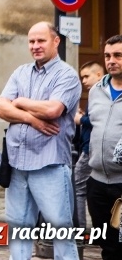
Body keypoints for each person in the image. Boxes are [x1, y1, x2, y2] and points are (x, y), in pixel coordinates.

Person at [0, 21, 81, 260]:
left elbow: (53, 110)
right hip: (17, 164)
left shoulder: (67, 75)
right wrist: (31, 119)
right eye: (31, 41)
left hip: (49, 165)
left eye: (41, 40)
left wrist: (19, 101)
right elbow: (0, 107)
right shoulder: (20, 72)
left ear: (56, 41)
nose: (35, 46)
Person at [86, 35, 122, 259]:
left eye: (118, 55)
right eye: (108, 56)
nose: (111, 60)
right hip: (97, 182)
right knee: (106, 244)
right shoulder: (95, 91)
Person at [74, 60, 103, 229]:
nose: (83, 81)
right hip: (92, 147)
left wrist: (80, 119)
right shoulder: (97, 92)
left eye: (86, 76)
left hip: (91, 149)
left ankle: (80, 231)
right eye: (81, 77)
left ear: (98, 75)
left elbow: (98, 120)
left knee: (78, 188)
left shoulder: (98, 92)